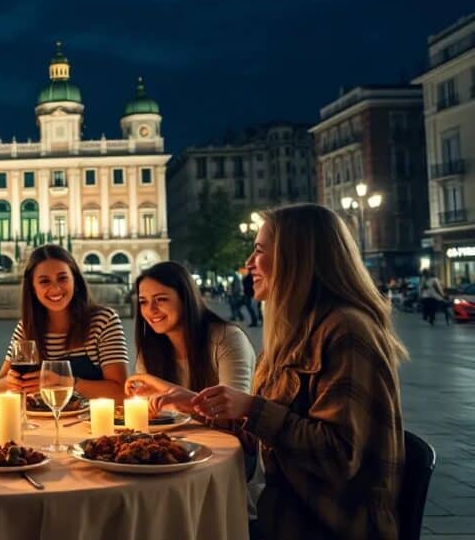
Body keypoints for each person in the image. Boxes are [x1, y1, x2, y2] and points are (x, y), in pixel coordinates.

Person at [190, 204, 407, 539]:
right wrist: (193, 405)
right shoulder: (295, 330)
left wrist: (250, 408)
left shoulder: (346, 330)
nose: (249, 264)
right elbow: (275, 433)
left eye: (260, 250)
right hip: (284, 511)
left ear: (298, 258)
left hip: (328, 524)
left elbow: (340, 455)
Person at [0, 244, 128, 401]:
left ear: (75, 281)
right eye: (44, 281)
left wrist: (64, 382)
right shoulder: (26, 328)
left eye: (62, 278)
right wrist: (12, 382)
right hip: (45, 423)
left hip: (91, 423)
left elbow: (121, 391)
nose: (55, 288)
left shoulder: (104, 322)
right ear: (33, 288)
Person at [123, 261, 255, 416]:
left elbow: (232, 414)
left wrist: (161, 387)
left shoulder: (226, 338)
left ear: (185, 299)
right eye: (143, 302)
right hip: (178, 438)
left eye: (161, 299)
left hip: (228, 439)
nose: (150, 310)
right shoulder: (151, 347)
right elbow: (152, 412)